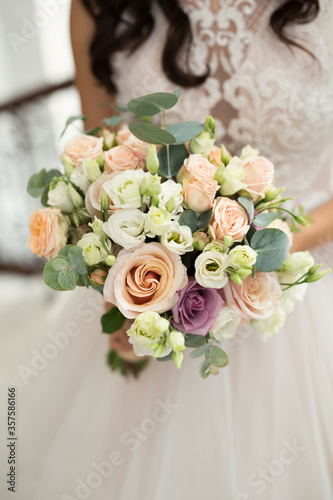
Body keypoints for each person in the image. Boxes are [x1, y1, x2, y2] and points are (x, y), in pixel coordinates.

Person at [1, 1, 332, 499]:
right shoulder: (99, 7)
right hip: (153, 289)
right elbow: (101, 164)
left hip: (312, 280)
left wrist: (256, 252)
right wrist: (130, 286)